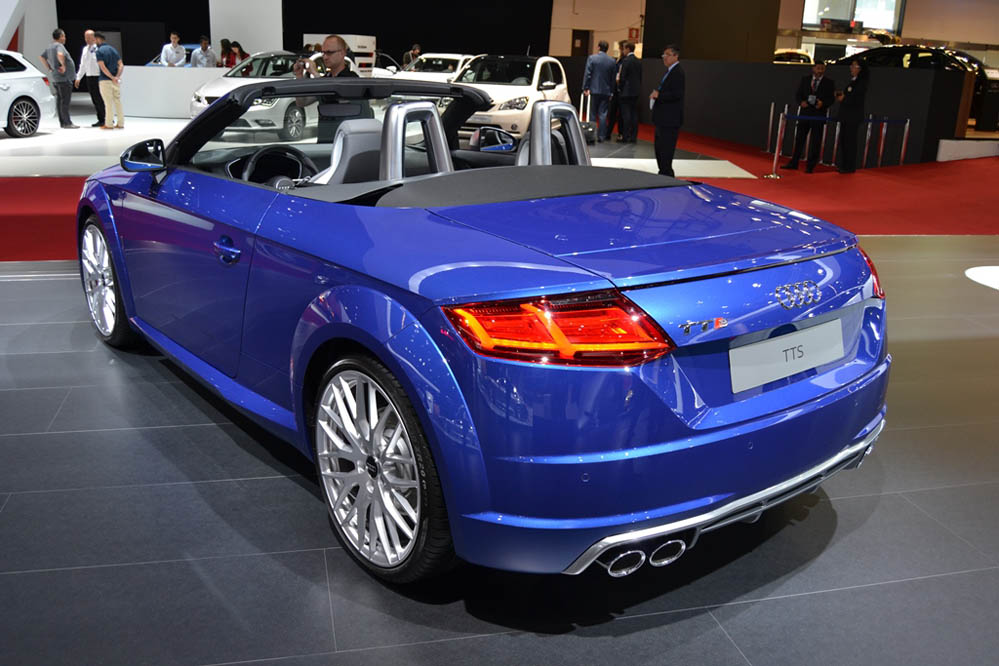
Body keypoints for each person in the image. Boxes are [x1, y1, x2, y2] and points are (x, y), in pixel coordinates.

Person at [782, 62, 835, 173]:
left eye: (822, 69)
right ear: (813, 68)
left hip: (818, 114)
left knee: (816, 141)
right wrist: (801, 102)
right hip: (805, 113)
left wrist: (823, 104)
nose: (820, 71)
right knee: (799, 139)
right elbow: (798, 94)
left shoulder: (829, 82)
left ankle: (810, 166)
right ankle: (794, 162)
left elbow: (831, 99)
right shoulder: (805, 80)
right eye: (818, 68)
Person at [650, 44, 685, 177]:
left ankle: (666, 175)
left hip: (670, 119)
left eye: (667, 55)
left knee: (666, 150)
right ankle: (663, 173)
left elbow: (677, 94)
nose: (664, 58)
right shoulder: (670, 71)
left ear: (676, 56)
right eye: (663, 55)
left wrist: (659, 95)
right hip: (663, 118)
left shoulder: (678, 72)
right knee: (660, 149)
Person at [834, 60, 868, 173]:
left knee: (850, 142)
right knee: (844, 141)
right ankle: (845, 164)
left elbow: (856, 99)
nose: (851, 68)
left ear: (860, 68)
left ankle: (849, 166)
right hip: (846, 116)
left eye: (854, 66)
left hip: (852, 117)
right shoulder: (853, 81)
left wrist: (844, 98)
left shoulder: (861, 83)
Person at [39, 28, 77, 128]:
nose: (65, 38)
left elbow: (42, 57)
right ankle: (67, 123)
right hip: (64, 78)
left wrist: (49, 68)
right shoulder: (59, 46)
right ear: (60, 37)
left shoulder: (50, 47)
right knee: (65, 101)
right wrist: (63, 65)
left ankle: (63, 122)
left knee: (60, 100)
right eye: (64, 36)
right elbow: (60, 54)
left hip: (56, 78)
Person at [582, 40, 616, 142]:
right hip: (606, 91)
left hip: (594, 89)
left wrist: (585, 87)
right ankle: (601, 136)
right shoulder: (612, 61)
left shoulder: (592, 58)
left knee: (592, 114)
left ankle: (592, 136)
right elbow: (613, 78)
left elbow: (588, 74)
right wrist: (611, 91)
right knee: (603, 114)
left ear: (598, 47)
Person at [74, 30, 105, 127]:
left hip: (98, 76)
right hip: (89, 76)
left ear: (94, 37)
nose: (87, 39)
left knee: (101, 98)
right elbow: (83, 65)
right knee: (94, 99)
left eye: (89, 37)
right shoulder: (85, 49)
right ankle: (100, 119)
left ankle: (107, 118)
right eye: (85, 37)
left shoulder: (99, 48)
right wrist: (78, 77)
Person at [94, 32, 124, 129]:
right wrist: (117, 76)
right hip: (115, 80)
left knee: (108, 103)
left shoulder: (99, 51)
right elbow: (121, 65)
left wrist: (111, 77)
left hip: (105, 80)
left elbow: (102, 67)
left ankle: (109, 123)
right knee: (117, 101)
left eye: (94, 40)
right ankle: (121, 123)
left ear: (98, 39)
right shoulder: (113, 50)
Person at [617, 41, 641, 143]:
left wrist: (620, 87)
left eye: (624, 49)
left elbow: (622, 77)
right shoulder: (638, 61)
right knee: (634, 114)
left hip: (626, 92)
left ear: (627, 49)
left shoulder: (626, 61)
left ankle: (625, 136)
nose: (623, 51)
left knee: (626, 115)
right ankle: (633, 136)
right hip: (635, 92)